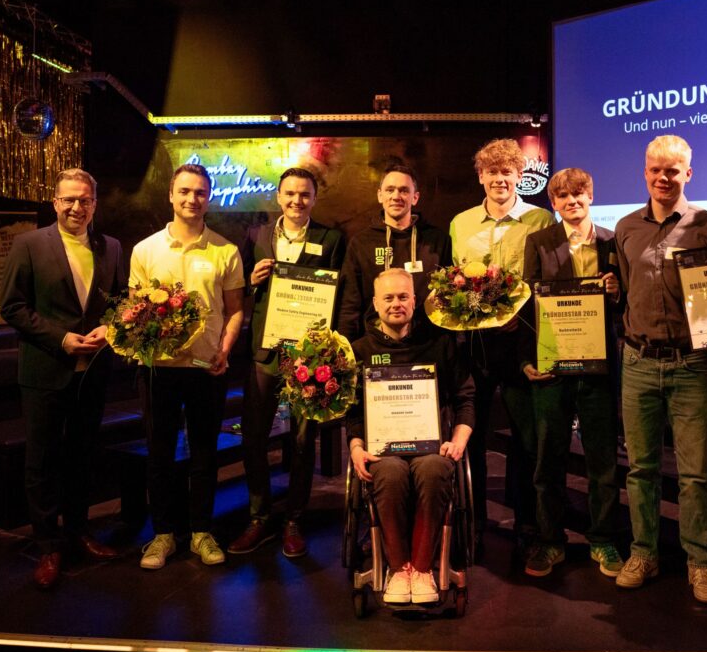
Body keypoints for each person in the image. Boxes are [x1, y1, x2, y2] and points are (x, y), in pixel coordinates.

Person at [614, 135, 707, 603]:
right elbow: (624, 291)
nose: (663, 178)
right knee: (640, 470)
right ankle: (643, 553)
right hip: (638, 363)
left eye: (673, 170)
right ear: (645, 172)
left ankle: (700, 564)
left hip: (691, 365)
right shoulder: (624, 227)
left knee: (694, 474)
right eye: (655, 169)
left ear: (689, 173)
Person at [0, 168, 125, 589]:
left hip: (92, 372)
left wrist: (111, 327)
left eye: (85, 200)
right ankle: (47, 544)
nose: (77, 207)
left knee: (82, 455)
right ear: (55, 203)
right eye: (69, 199)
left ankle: (77, 532)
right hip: (44, 369)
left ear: (94, 204)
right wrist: (61, 339)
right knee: (42, 459)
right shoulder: (29, 244)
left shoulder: (111, 247)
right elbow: (12, 307)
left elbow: (121, 302)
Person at [129, 163, 245, 570]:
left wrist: (225, 349)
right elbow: (135, 312)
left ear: (208, 197)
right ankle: (162, 535)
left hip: (206, 369)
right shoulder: (144, 250)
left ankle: (200, 532)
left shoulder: (225, 251)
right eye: (184, 191)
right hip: (158, 369)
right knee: (159, 452)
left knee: (204, 453)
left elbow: (235, 312)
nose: (192, 199)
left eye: (199, 192)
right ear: (171, 196)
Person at [228, 167, 345, 558]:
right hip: (265, 350)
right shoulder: (256, 236)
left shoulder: (331, 238)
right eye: (290, 194)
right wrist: (252, 277)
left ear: (314, 198)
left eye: (305, 195)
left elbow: (339, 292)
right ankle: (259, 516)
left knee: (301, 439)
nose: (297, 201)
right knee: (255, 436)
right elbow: (239, 286)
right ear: (278, 196)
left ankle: (294, 518)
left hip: (309, 355)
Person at [449, 138, 555, 554]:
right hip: (473, 346)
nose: (499, 179)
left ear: (518, 176)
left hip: (520, 344)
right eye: (492, 172)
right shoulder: (460, 224)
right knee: (471, 435)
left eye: (507, 172)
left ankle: (526, 523)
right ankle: (474, 521)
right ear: (481, 176)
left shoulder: (541, 220)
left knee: (525, 439)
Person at [519, 167, 623, 578]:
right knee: (549, 459)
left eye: (579, 194)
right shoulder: (539, 241)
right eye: (562, 196)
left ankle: (604, 541)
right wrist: (527, 360)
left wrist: (617, 293)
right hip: (553, 365)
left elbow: (624, 302)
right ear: (553, 203)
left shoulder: (613, 241)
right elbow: (527, 306)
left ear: (591, 195)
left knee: (602, 461)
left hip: (599, 367)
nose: (572, 201)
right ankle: (549, 541)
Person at [348, 268, 475, 604]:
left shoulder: (440, 343)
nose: (396, 304)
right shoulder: (359, 349)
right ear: (375, 304)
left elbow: (466, 399)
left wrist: (459, 439)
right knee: (388, 472)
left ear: (415, 301)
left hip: (430, 446)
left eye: (403, 296)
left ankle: (420, 569)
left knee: (434, 469)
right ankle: (397, 567)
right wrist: (356, 447)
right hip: (383, 449)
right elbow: (354, 412)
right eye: (388, 298)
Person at [337, 164, 451, 341]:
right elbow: (349, 305)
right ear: (380, 195)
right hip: (375, 344)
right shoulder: (361, 243)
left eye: (404, 190)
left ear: (415, 197)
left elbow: (449, 298)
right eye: (390, 190)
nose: (396, 196)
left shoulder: (437, 241)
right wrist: (346, 349)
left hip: (428, 342)